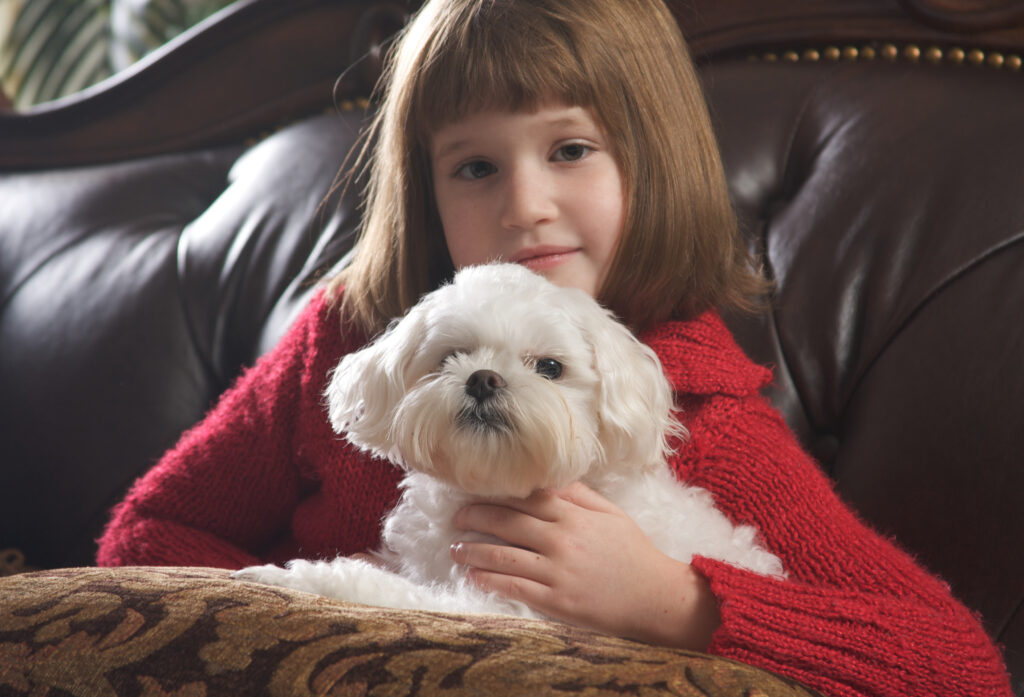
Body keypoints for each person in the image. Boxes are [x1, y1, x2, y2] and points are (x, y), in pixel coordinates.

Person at [96, 0, 1012, 695]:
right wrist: (321, 618)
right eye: (475, 166)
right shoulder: (347, 335)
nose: (523, 205)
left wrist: (674, 605)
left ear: (647, 162)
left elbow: (958, 664)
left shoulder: (700, 416)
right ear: (427, 188)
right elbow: (147, 535)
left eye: (569, 149)